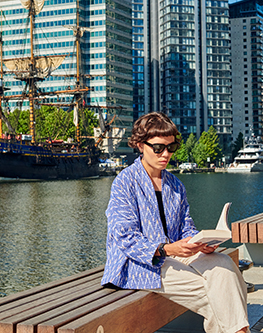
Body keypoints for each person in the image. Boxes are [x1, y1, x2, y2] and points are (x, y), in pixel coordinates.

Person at [102, 112, 248, 333]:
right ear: (141, 145)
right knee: (217, 293)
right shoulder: (125, 183)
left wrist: (201, 243)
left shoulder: (175, 184)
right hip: (139, 263)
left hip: (175, 255)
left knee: (225, 266)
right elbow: (124, 237)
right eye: (159, 148)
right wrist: (167, 249)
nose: (166, 154)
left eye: (171, 148)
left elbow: (185, 226)